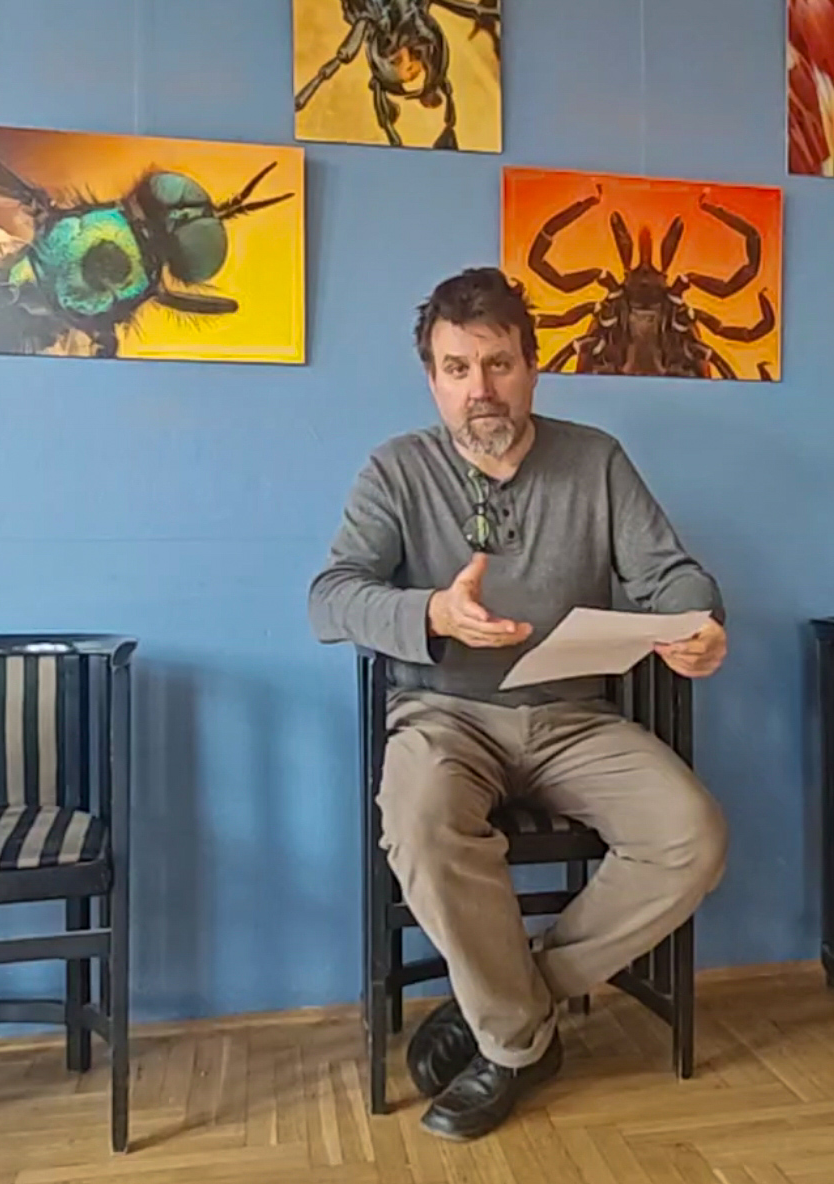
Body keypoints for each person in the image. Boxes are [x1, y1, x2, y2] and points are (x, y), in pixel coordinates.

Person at [308, 266, 732, 1141]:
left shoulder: (595, 460)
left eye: (498, 364)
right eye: (457, 368)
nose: (481, 388)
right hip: (443, 716)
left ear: (532, 368)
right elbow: (331, 597)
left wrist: (699, 623)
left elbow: (672, 573)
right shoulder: (396, 469)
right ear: (432, 377)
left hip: (574, 715)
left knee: (693, 834)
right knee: (421, 823)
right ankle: (514, 1042)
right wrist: (433, 612)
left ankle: (510, 1003)